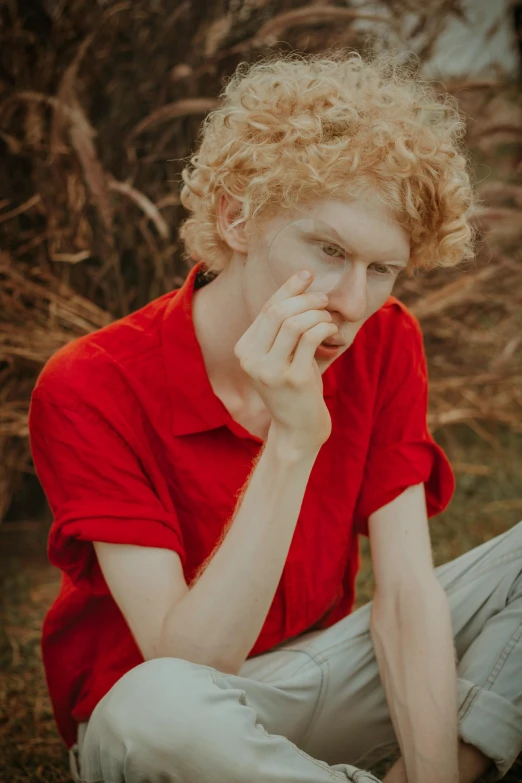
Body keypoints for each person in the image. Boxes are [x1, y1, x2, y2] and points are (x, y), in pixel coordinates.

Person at [28, 52, 522, 783]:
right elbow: (192, 663)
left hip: (316, 679)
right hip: (167, 715)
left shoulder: (384, 340)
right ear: (236, 217)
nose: (352, 303)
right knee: (154, 711)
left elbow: (406, 596)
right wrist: (293, 440)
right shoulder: (90, 383)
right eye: (328, 250)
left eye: (382, 269)